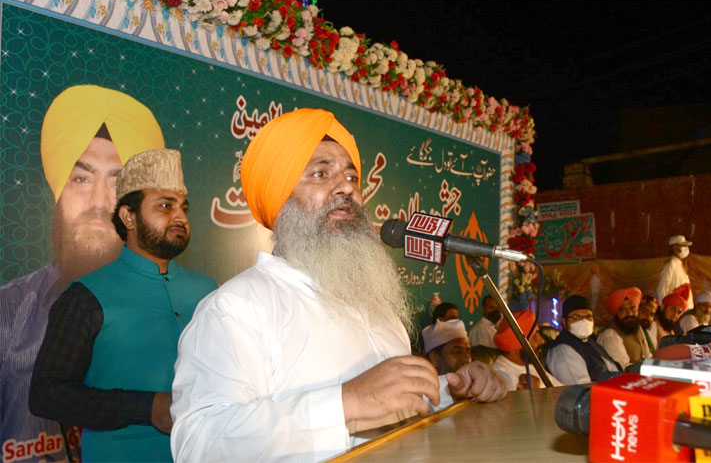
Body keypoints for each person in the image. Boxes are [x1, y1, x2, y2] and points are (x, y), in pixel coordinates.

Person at [169, 108, 506, 461]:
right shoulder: (237, 307)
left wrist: (455, 389)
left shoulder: (378, 308)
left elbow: (395, 411)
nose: (346, 187)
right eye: (320, 173)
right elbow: (199, 443)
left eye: (352, 176)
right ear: (280, 199)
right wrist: (346, 402)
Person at [0, 85, 164, 462]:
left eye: (119, 183)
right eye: (81, 179)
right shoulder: (8, 313)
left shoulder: (181, 307)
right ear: (58, 191)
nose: (100, 204)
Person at [29, 149, 217, 462]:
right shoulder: (85, 297)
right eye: (165, 206)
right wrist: (146, 407)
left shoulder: (209, 290)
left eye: (183, 207)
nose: (181, 217)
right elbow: (46, 395)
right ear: (129, 216)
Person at [545, 295, 622, 385]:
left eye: (588, 317)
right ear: (564, 322)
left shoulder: (590, 342)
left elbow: (612, 369)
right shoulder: (562, 351)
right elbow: (581, 390)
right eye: (576, 317)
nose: (584, 321)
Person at [492, 310, 561, 391]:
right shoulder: (502, 376)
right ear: (517, 345)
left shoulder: (530, 364)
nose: (542, 341)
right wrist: (534, 393)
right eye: (535, 336)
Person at [597, 288, 651, 369]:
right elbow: (623, 368)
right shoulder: (610, 335)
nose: (629, 313)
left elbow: (648, 356)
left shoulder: (636, 327)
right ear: (616, 313)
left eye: (632, 308)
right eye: (623, 310)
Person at [656, 235, 693, 311]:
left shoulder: (679, 265)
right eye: (684, 246)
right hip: (673, 312)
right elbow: (661, 291)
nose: (686, 249)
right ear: (675, 248)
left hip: (682, 312)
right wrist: (664, 310)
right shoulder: (670, 265)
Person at [469, 295, 502, 364]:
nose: (496, 311)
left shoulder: (500, 326)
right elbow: (482, 358)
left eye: (498, 308)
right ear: (483, 310)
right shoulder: (479, 329)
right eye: (492, 308)